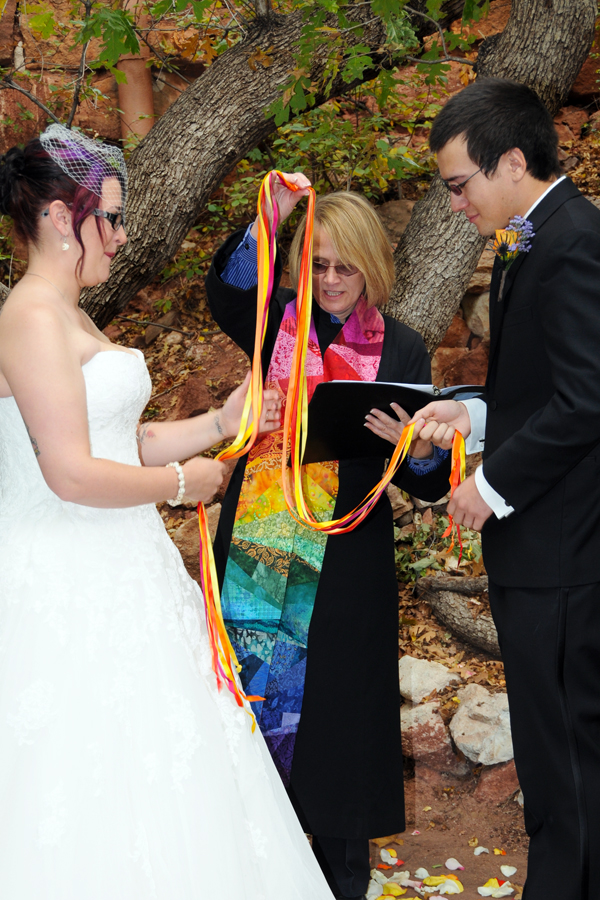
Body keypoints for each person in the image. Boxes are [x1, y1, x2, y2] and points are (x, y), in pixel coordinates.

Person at [0, 125, 338, 899]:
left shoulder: (73, 316)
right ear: (60, 217)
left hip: (121, 562)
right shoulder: (31, 317)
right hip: (66, 572)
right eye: (110, 218)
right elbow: (71, 473)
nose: (121, 236)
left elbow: (125, 438)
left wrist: (218, 425)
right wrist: (184, 486)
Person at [205, 177, 452, 900]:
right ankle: (254, 864)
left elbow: (430, 480)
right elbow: (227, 288)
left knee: (341, 721)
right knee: (250, 708)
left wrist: (415, 449)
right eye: (319, 265)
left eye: (347, 267)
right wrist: (272, 218)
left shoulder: (402, 349)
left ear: (372, 266)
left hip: (346, 563)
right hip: (258, 545)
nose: (332, 281)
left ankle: (342, 878)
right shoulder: (273, 321)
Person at [411, 78, 600, 900]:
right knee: (557, 753)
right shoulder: (539, 236)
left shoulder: (573, 242)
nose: (456, 205)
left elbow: (589, 397)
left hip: (566, 550)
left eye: (461, 185)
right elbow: (548, 387)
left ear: (513, 160)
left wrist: (492, 484)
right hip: (550, 549)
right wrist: (477, 411)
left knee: (568, 758)